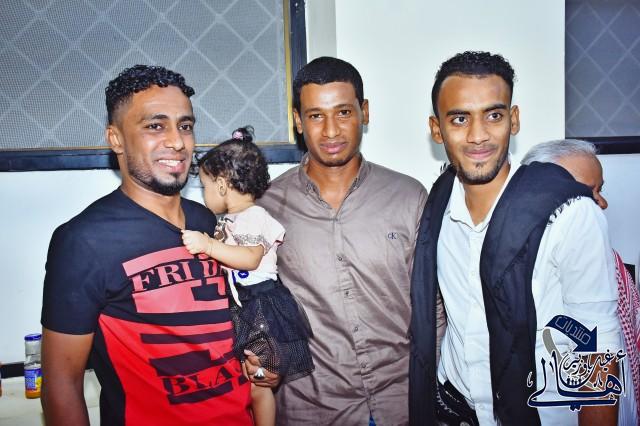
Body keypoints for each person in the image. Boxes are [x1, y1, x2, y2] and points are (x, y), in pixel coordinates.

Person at [40, 65, 269, 426]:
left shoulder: (209, 222)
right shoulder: (83, 241)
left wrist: (261, 362)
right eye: (155, 126)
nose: (177, 142)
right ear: (116, 138)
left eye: (185, 126)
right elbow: (61, 385)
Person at [410, 51, 622, 426]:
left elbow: (597, 343)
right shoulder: (439, 201)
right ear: (436, 129)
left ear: (515, 119)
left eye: (493, 116)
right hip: (456, 411)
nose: (478, 135)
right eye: (460, 119)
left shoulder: (569, 213)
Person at [257, 56, 428, 425]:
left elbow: (435, 307)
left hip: (402, 402)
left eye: (344, 112)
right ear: (298, 121)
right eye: (316, 116)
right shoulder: (267, 207)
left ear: (364, 112)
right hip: (312, 407)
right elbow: (250, 298)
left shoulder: (408, 196)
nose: (331, 130)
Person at [181, 126, 314, 426]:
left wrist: (209, 245)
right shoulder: (231, 220)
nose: (204, 195)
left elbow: (250, 258)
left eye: (205, 187)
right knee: (249, 379)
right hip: (244, 304)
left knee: (259, 384)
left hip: (260, 305)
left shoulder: (254, 216)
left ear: (222, 185)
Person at [523, 138, 640, 426]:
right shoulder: (520, 265)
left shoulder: (602, 256)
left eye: (600, 190)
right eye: (587, 193)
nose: (602, 203)